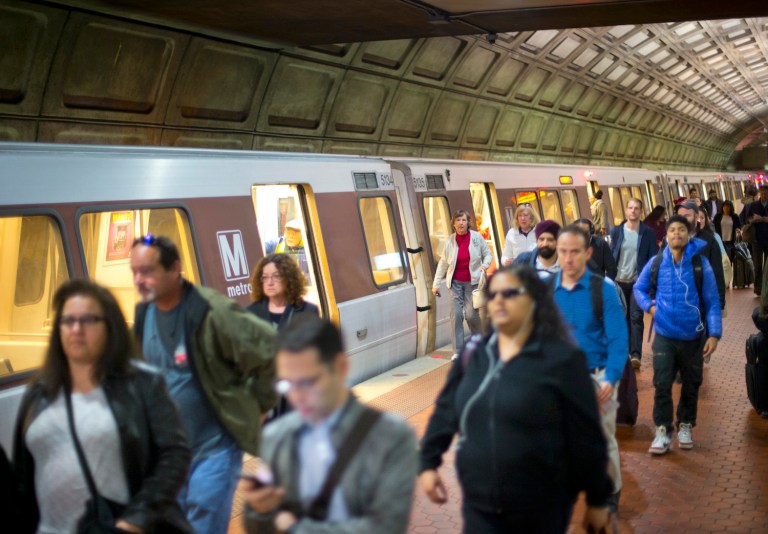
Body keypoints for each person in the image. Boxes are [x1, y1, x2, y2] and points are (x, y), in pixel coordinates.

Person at [419, 264, 612, 533]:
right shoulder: (474, 353)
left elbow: (586, 435)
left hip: (540, 508)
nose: (498, 300)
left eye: (510, 293)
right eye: (493, 294)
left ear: (533, 301)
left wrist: (597, 498)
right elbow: (446, 409)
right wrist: (428, 462)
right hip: (480, 506)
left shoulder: (561, 359)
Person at [12, 279, 192, 534]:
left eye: (88, 320)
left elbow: (175, 453)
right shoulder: (39, 392)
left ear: (110, 326)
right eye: (67, 321)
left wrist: (135, 520)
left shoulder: (141, 384)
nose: (76, 329)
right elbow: (22, 476)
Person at [130, 235, 277, 534]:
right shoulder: (143, 314)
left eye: (147, 271)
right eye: (134, 271)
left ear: (174, 269)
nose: (138, 280)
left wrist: (259, 407)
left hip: (214, 451)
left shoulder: (212, 311)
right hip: (168, 456)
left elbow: (271, 351)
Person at [241, 318, 417, 534]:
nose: (296, 397)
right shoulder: (277, 436)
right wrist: (259, 510)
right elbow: (260, 526)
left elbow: (386, 527)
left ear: (341, 367)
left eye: (308, 382)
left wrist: (294, 528)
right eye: (286, 383)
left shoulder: (390, 436)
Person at [553, 225, 628, 516]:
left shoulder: (603, 291)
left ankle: (610, 492)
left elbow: (618, 339)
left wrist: (611, 377)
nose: (568, 258)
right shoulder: (548, 291)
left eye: (574, 252)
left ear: (588, 253)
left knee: (602, 438)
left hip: (598, 377)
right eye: (563, 252)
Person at [634, 216, 722, 454]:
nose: (676, 234)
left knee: (692, 384)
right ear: (666, 235)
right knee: (661, 384)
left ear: (688, 234)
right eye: (672, 229)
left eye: (681, 229)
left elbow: (712, 303)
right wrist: (651, 307)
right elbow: (638, 289)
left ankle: (685, 424)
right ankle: (662, 430)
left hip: (693, 337)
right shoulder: (656, 262)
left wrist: (714, 334)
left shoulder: (700, 265)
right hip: (664, 335)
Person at [432, 209, 492, 360]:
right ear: (453, 224)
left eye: (464, 220)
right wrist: (436, 283)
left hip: (472, 284)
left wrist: (485, 265)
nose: (461, 223)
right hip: (455, 284)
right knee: (457, 316)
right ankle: (457, 351)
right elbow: (443, 263)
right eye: (458, 220)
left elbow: (488, 254)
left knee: (471, 316)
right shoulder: (450, 241)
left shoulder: (476, 238)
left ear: (468, 223)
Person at [610, 198, 658, 370]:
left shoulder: (648, 233)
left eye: (636, 208)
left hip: (638, 283)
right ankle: (626, 352)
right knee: (622, 317)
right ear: (626, 210)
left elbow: (653, 258)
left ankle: (636, 354)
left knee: (636, 317)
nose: (633, 211)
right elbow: (611, 254)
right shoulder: (616, 232)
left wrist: (651, 283)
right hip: (619, 282)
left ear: (641, 211)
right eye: (630, 208)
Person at [676, 201, 726, 309]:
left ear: (696, 216)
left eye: (687, 215)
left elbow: (717, 273)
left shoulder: (709, 241)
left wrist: (719, 302)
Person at [248, 253, 319, 329]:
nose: (270, 282)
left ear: (289, 278)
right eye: (265, 277)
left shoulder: (307, 311)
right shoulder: (251, 314)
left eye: (276, 276)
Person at [749, 184, 768, 296]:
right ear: (759, 193)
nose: (764, 196)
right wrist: (752, 220)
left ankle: (766, 287)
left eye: (766, 194)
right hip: (756, 239)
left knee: (767, 265)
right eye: (763, 193)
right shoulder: (754, 205)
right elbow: (747, 218)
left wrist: (765, 219)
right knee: (757, 265)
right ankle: (758, 288)